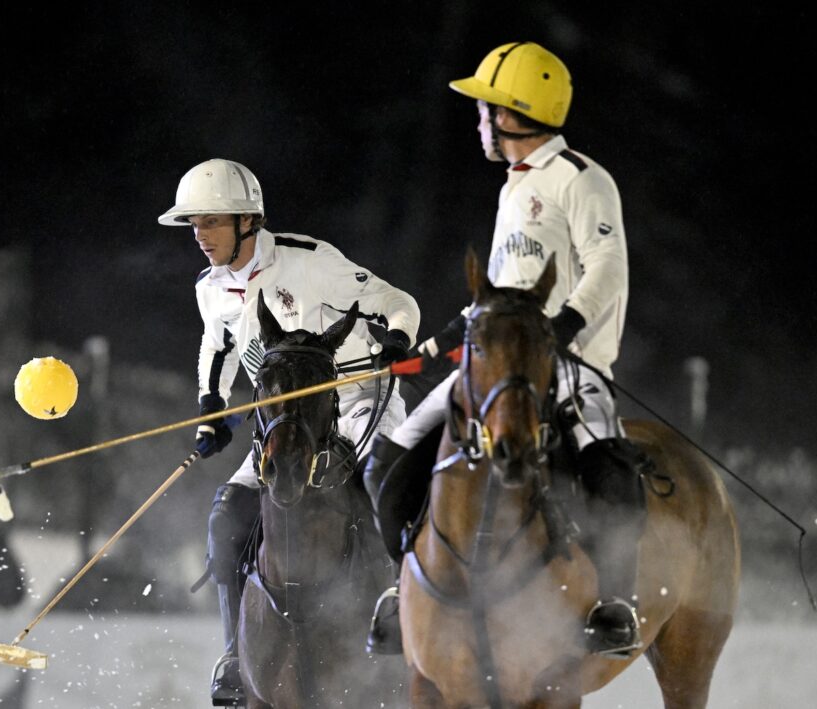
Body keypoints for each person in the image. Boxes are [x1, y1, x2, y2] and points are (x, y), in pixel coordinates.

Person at [364, 41, 646, 660]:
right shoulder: (511, 189)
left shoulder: (581, 178)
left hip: (567, 362)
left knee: (609, 461)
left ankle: (615, 605)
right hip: (494, 361)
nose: (480, 121)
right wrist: (432, 346)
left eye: (486, 108)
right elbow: (498, 290)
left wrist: (564, 327)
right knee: (389, 456)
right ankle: (402, 587)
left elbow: (608, 266)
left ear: (513, 114)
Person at [158, 158, 420, 705]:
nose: (200, 236)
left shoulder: (312, 261)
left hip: (355, 402)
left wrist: (395, 341)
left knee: (381, 489)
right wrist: (211, 406)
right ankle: (235, 652)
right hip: (283, 420)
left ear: (248, 220)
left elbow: (399, 303)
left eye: (211, 222)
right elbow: (217, 346)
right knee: (227, 511)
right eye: (194, 225)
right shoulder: (211, 287)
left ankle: (401, 613)